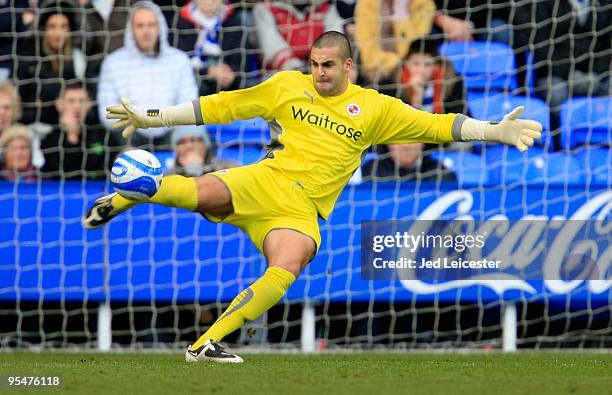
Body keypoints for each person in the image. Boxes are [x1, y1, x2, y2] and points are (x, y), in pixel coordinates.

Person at [82, 31, 542, 363]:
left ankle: (205, 344)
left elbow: (440, 126)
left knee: (289, 263)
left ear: (347, 67)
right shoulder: (286, 86)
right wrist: (151, 118)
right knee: (201, 191)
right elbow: (219, 106)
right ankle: (133, 192)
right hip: (265, 179)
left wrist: (495, 131)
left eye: (326, 65)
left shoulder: (376, 108)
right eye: (312, 63)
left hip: (301, 212)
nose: (317, 73)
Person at [517, 0, 610, 148]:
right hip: (555, 74)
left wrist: (595, 74)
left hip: (596, 74)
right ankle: (560, 149)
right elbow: (540, 46)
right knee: (556, 93)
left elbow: (608, 45)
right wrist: (571, 74)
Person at [97, 1, 198, 149]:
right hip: (131, 134)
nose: (146, 31)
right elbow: (107, 112)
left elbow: (189, 104)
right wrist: (140, 118)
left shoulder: (179, 60)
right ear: (131, 29)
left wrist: (159, 120)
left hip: (172, 132)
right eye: (140, 25)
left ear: (160, 27)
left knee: (193, 133)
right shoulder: (113, 62)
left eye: (151, 25)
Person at [354, 0, 436, 86]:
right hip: (376, 73)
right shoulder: (367, 4)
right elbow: (368, 54)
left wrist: (401, 15)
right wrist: (398, 63)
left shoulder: (424, 4)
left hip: (415, 72)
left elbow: (417, 49)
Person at [254, 0, 344, 72]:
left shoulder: (325, 8)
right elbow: (270, 44)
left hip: (322, 70)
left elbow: (335, 38)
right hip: (281, 74)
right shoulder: (264, 8)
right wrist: (295, 67)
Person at [72, 0, 147, 79]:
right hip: (98, 73)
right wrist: (83, 6)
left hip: (136, 66)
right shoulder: (71, 4)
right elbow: (83, 45)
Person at [176, 0, 246, 96]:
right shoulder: (181, 21)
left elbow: (239, 57)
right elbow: (181, 61)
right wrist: (208, 71)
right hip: (196, 80)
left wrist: (231, 71)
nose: (208, 2)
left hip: (227, 82)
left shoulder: (232, 20)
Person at [16, 0, 86, 125]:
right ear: (44, 29)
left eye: (63, 27)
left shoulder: (78, 60)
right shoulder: (29, 60)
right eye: (52, 26)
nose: (58, 33)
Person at [41, 82, 118, 179]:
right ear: (59, 105)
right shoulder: (50, 138)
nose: (77, 106)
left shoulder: (102, 134)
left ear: (89, 104)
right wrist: (71, 135)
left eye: (81, 101)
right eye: (71, 101)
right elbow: (61, 173)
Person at [397, 38, 468, 115]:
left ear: (436, 66)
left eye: (427, 64)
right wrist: (417, 98)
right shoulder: (394, 84)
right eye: (416, 63)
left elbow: (459, 117)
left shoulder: (453, 82)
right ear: (406, 64)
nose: (421, 70)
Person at [361, 142, 456, 181]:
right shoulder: (372, 169)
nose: (406, 146)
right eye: (399, 139)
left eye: (413, 138)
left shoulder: (441, 173)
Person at [169, 126, 238, 177]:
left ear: (205, 144)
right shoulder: (167, 178)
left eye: (194, 140)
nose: (189, 146)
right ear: (175, 149)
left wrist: (196, 170)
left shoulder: (230, 169)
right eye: (182, 142)